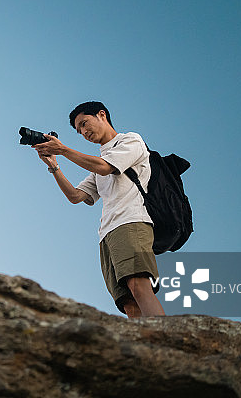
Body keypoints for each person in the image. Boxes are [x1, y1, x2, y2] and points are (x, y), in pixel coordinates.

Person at [32, 101, 165, 318]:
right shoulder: (98, 162)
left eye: (84, 123)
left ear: (101, 115)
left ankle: (168, 340)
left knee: (140, 287)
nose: (83, 132)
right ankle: (146, 349)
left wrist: (64, 150)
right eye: (79, 130)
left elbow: (105, 167)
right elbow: (76, 197)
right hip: (107, 233)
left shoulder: (130, 140)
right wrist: (53, 164)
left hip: (131, 222)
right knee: (128, 303)